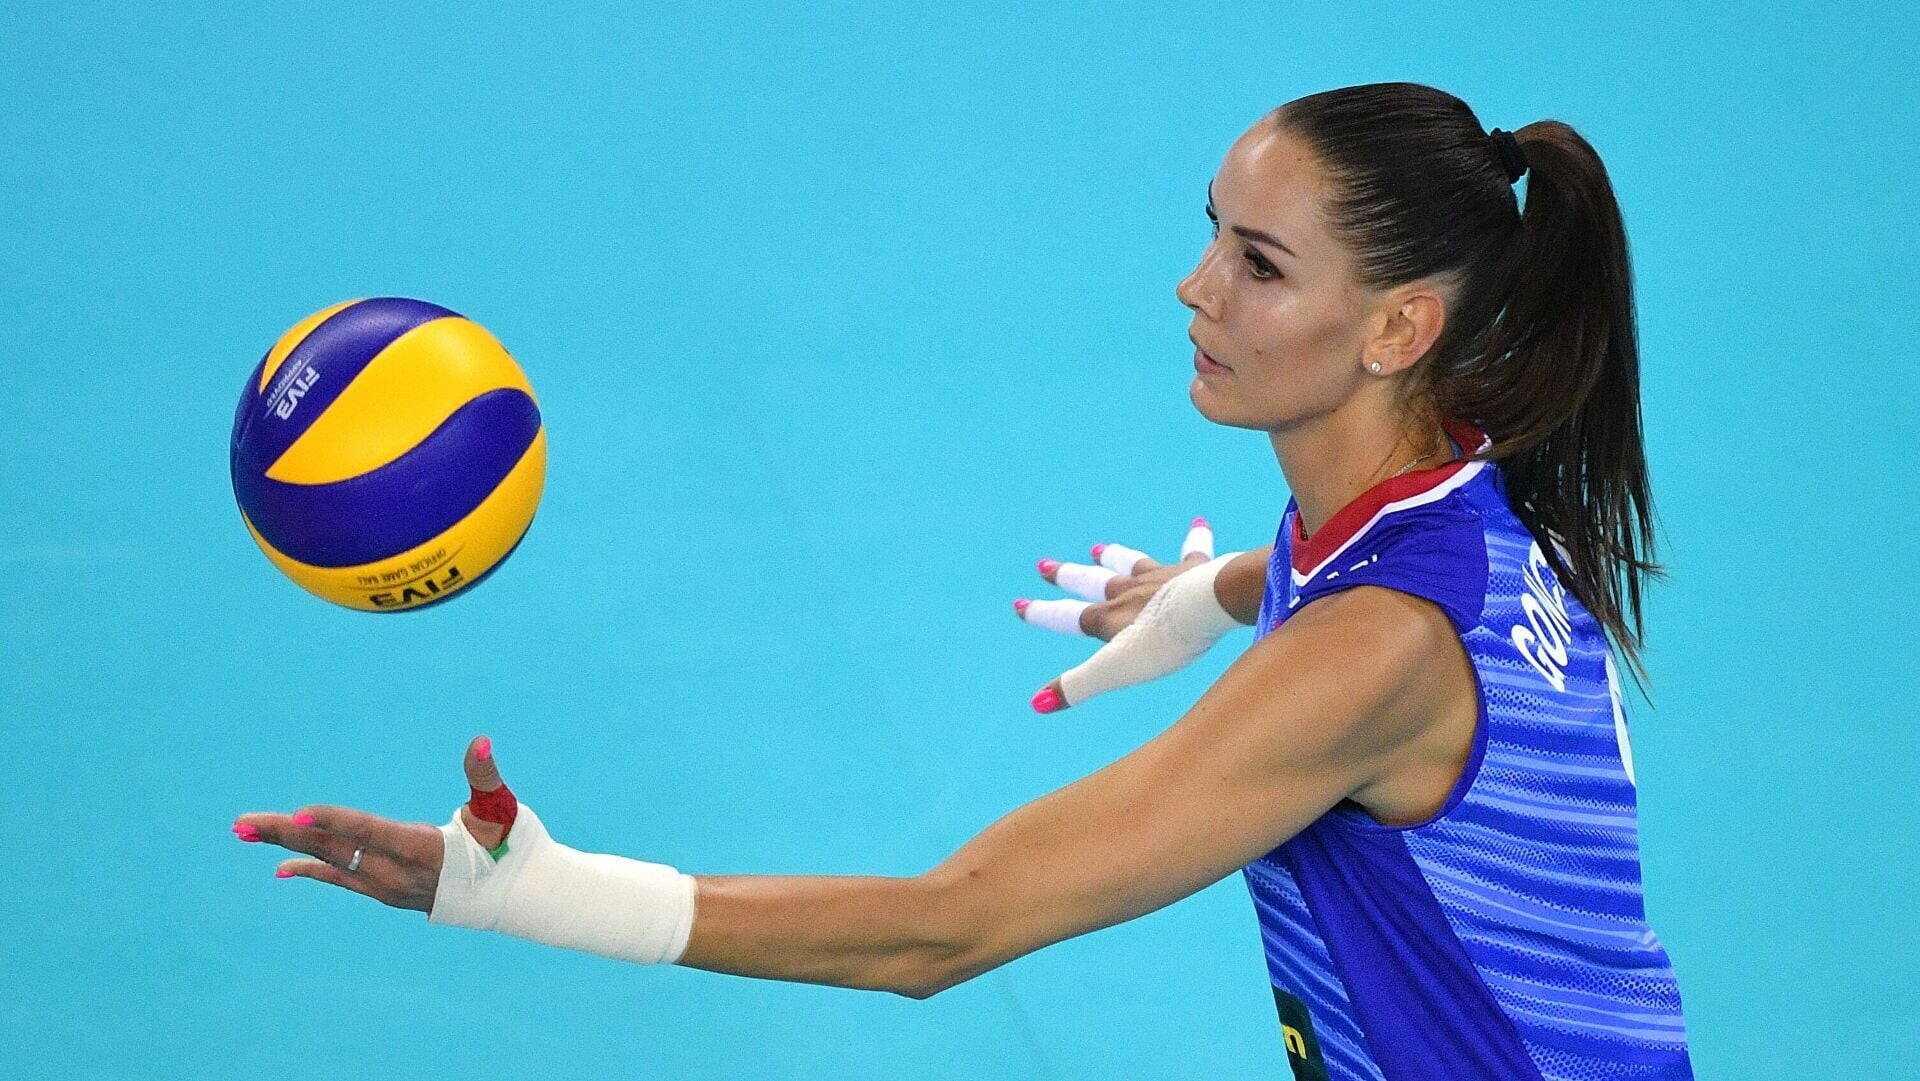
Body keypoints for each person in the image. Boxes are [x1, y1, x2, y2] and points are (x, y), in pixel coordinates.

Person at [233, 82, 1693, 1079]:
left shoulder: (1373, 653)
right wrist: (1220, 591)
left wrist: (541, 895)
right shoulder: (1459, 479)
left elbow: (947, 926)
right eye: (1212, 230)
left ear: (1396, 329)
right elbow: (1385, 612)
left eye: (1259, 265)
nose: (1196, 286)